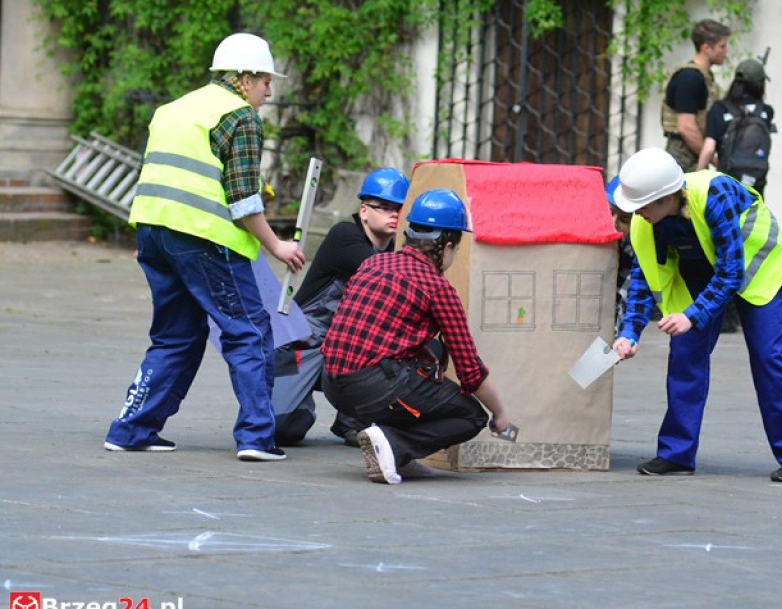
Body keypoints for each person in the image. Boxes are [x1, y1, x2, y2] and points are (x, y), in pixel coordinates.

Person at [104, 32, 305, 461]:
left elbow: (182, 175)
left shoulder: (173, 109)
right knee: (248, 331)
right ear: (245, 78)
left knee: (175, 336)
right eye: (266, 81)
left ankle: (131, 429)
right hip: (206, 239)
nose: (269, 91)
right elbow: (244, 201)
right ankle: (256, 437)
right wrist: (276, 246)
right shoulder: (241, 116)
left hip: (154, 233)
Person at [611, 147, 782, 482]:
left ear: (667, 196)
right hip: (701, 271)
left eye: (642, 205)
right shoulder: (645, 221)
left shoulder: (714, 195)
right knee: (685, 353)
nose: (635, 213)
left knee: (769, 355)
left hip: (757, 263)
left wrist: (692, 316)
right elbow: (643, 277)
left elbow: (730, 272)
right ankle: (676, 454)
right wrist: (629, 333)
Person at [321, 188, 512, 485]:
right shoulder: (438, 288)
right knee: (470, 416)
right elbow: (470, 371)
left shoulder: (374, 263)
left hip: (331, 382)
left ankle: (396, 452)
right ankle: (394, 447)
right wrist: (499, 414)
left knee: (424, 355)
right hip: (372, 387)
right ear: (447, 245)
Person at [271, 167, 410, 446]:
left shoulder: (397, 250)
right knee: (281, 427)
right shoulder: (344, 236)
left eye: (400, 208)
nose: (393, 214)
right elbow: (383, 274)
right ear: (364, 211)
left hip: (349, 348)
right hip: (306, 343)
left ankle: (353, 420)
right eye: (384, 207)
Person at [696, 58, 776, 198]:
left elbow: (709, 149)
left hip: (726, 185)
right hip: (755, 186)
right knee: (753, 218)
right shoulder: (766, 111)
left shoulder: (719, 109)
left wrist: (696, 180)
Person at [662, 19, 731, 172]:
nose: (726, 51)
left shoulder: (703, 76)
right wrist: (712, 159)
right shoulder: (689, 78)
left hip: (693, 153)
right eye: (722, 46)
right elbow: (686, 127)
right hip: (684, 155)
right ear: (706, 47)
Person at [606, 175, 635, 335]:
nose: (614, 223)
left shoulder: (630, 255)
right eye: (610, 213)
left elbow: (621, 300)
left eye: (624, 219)